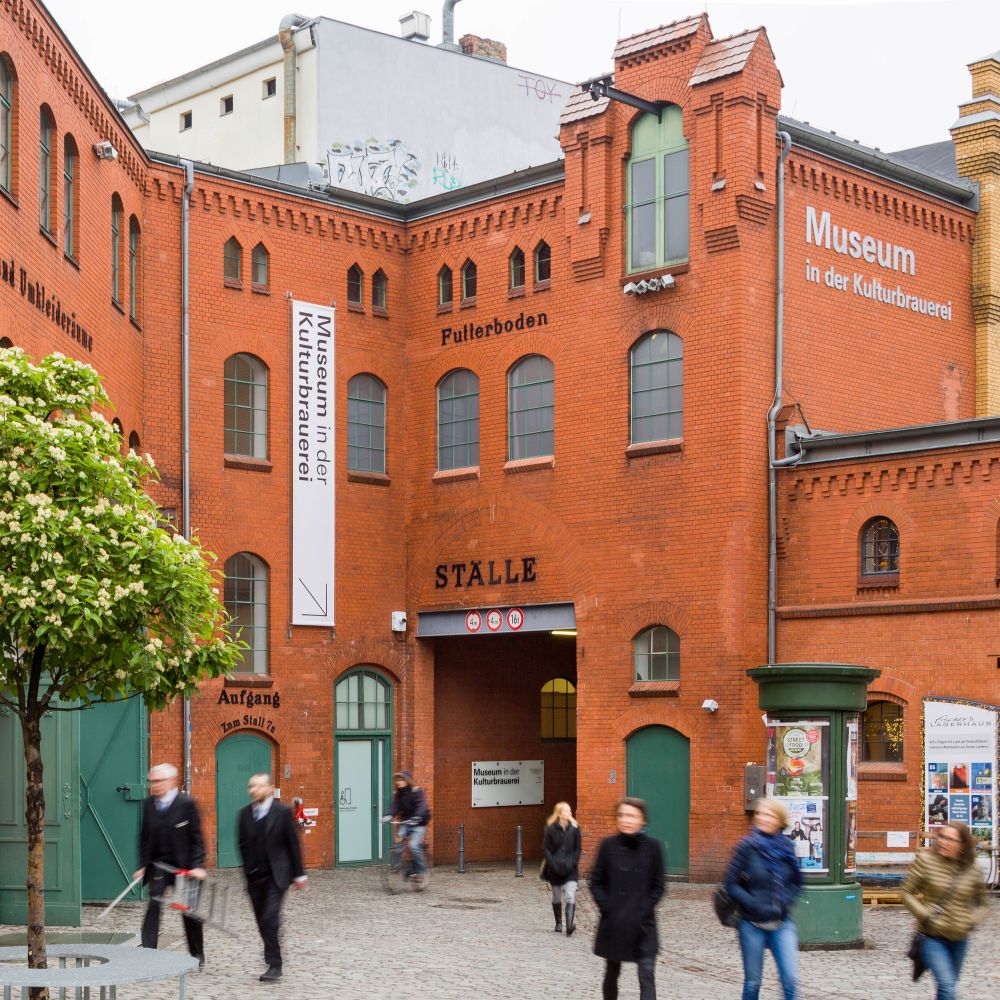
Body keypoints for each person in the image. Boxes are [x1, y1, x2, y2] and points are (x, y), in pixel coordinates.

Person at [724, 798, 802, 1000]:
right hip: (751, 924)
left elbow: (797, 881)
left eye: (769, 815)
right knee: (753, 983)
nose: (763, 818)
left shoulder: (787, 847)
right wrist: (753, 903)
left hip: (782, 923)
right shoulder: (747, 847)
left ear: (779, 820)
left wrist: (785, 900)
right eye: (760, 814)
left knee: (790, 980)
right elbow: (730, 883)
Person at [901, 821, 988, 1000]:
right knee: (947, 986)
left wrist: (971, 920)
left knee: (947, 986)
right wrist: (924, 914)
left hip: (959, 939)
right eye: (941, 836)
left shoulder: (973, 869)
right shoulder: (926, 860)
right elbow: (906, 892)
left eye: (950, 839)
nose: (943, 842)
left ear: (962, 845)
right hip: (931, 937)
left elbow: (984, 904)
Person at [590, 797, 665, 1000]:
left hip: (643, 924)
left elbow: (659, 885)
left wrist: (645, 907)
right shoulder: (608, 846)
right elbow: (595, 881)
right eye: (622, 815)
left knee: (646, 974)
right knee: (612, 971)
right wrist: (608, 907)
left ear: (643, 820)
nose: (626, 820)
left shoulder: (654, 847)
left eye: (632, 816)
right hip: (615, 923)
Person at [134, 763, 207, 967]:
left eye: (158, 781)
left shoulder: (187, 804)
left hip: (185, 868)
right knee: (153, 906)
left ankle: (197, 954)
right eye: (152, 781)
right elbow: (144, 837)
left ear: (171, 781)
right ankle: (149, 953)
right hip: (159, 866)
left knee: (189, 912)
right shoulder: (148, 804)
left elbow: (198, 838)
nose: (154, 785)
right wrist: (142, 865)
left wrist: (198, 865)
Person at [238, 773, 307, 983]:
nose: (253, 790)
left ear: (269, 788)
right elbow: (242, 845)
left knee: (269, 918)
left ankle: (274, 964)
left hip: (277, 876)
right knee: (263, 921)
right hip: (254, 877)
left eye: (258, 786)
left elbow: (292, 844)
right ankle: (273, 937)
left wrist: (299, 873)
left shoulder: (282, 811)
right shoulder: (244, 814)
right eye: (251, 786)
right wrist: (247, 871)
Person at [382, 771, 431, 883]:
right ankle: (399, 866)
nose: (398, 782)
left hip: (419, 823)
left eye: (401, 780)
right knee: (398, 839)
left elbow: (421, 805)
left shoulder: (417, 791)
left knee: (413, 845)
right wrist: (389, 816)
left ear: (407, 781)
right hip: (406, 822)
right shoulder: (399, 794)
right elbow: (395, 806)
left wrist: (417, 816)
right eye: (397, 780)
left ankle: (420, 872)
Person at [542, 801, 582, 935]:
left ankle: (569, 925)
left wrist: (573, 862)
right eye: (566, 811)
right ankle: (559, 922)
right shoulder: (551, 829)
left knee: (570, 895)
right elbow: (546, 849)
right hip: (555, 869)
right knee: (557, 896)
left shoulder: (575, 828)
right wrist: (552, 863)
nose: (570, 813)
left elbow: (578, 849)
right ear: (559, 814)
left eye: (570, 811)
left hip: (571, 868)